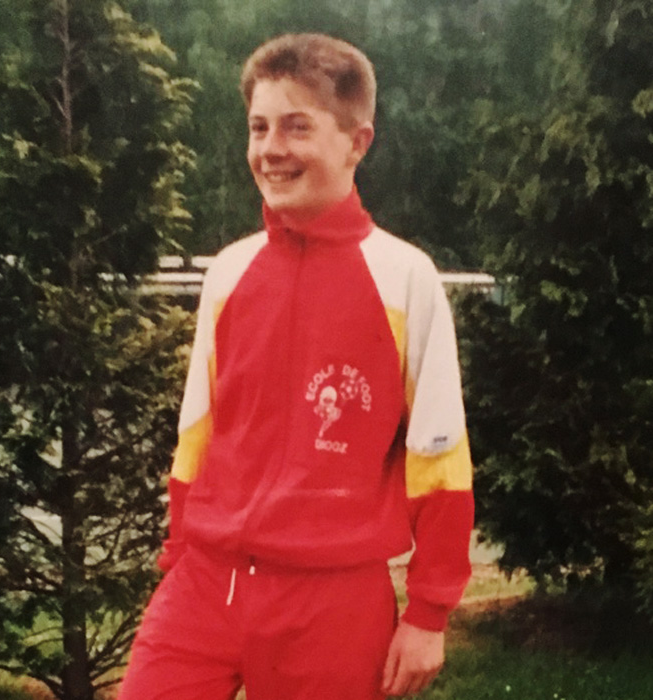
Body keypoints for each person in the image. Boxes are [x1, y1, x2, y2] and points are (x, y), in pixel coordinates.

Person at [119, 32, 474, 700]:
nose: (270, 149)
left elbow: (441, 459)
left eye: (296, 126)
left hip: (333, 603)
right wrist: (178, 560)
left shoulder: (405, 280)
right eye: (258, 127)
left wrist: (429, 612)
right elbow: (196, 436)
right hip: (206, 584)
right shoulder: (229, 273)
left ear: (357, 142)